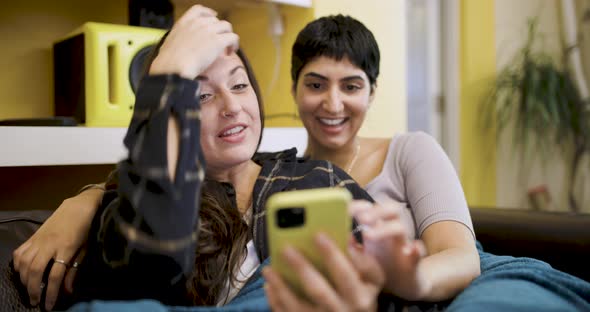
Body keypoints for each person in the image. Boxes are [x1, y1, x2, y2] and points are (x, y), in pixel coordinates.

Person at [11, 5, 417, 311]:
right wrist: (170, 70)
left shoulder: (318, 177)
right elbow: (132, 290)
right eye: (201, 95)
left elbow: (389, 289)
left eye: (239, 85)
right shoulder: (134, 207)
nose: (232, 107)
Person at [267, 14, 590, 312]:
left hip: (468, 289)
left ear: (372, 93)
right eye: (315, 85)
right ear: (294, 88)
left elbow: (461, 256)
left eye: (351, 86)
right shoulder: (279, 180)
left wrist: (407, 279)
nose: (333, 103)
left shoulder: (409, 150)